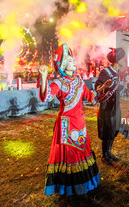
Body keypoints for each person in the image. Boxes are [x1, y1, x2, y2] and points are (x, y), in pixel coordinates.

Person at [38, 43, 111, 196]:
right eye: (70, 61)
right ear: (64, 65)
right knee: (70, 154)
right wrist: (44, 78)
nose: (74, 63)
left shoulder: (79, 82)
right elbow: (46, 97)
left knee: (81, 149)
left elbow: (91, 98)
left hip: (80, 122)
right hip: (66, 124)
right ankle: (69, 186)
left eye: (72, 60)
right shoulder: (58, 83)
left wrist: (104, 87)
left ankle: (83, 183)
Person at [95, 47, 125, 165]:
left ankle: (109, 152)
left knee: (115, 129)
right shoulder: (106, 72)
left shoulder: (118, 73)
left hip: (115, 106)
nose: (125, 60)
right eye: (123, 58)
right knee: (107, 131)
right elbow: (97, 88)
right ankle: (104, 155)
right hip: (106, 106)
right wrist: (105, 86)